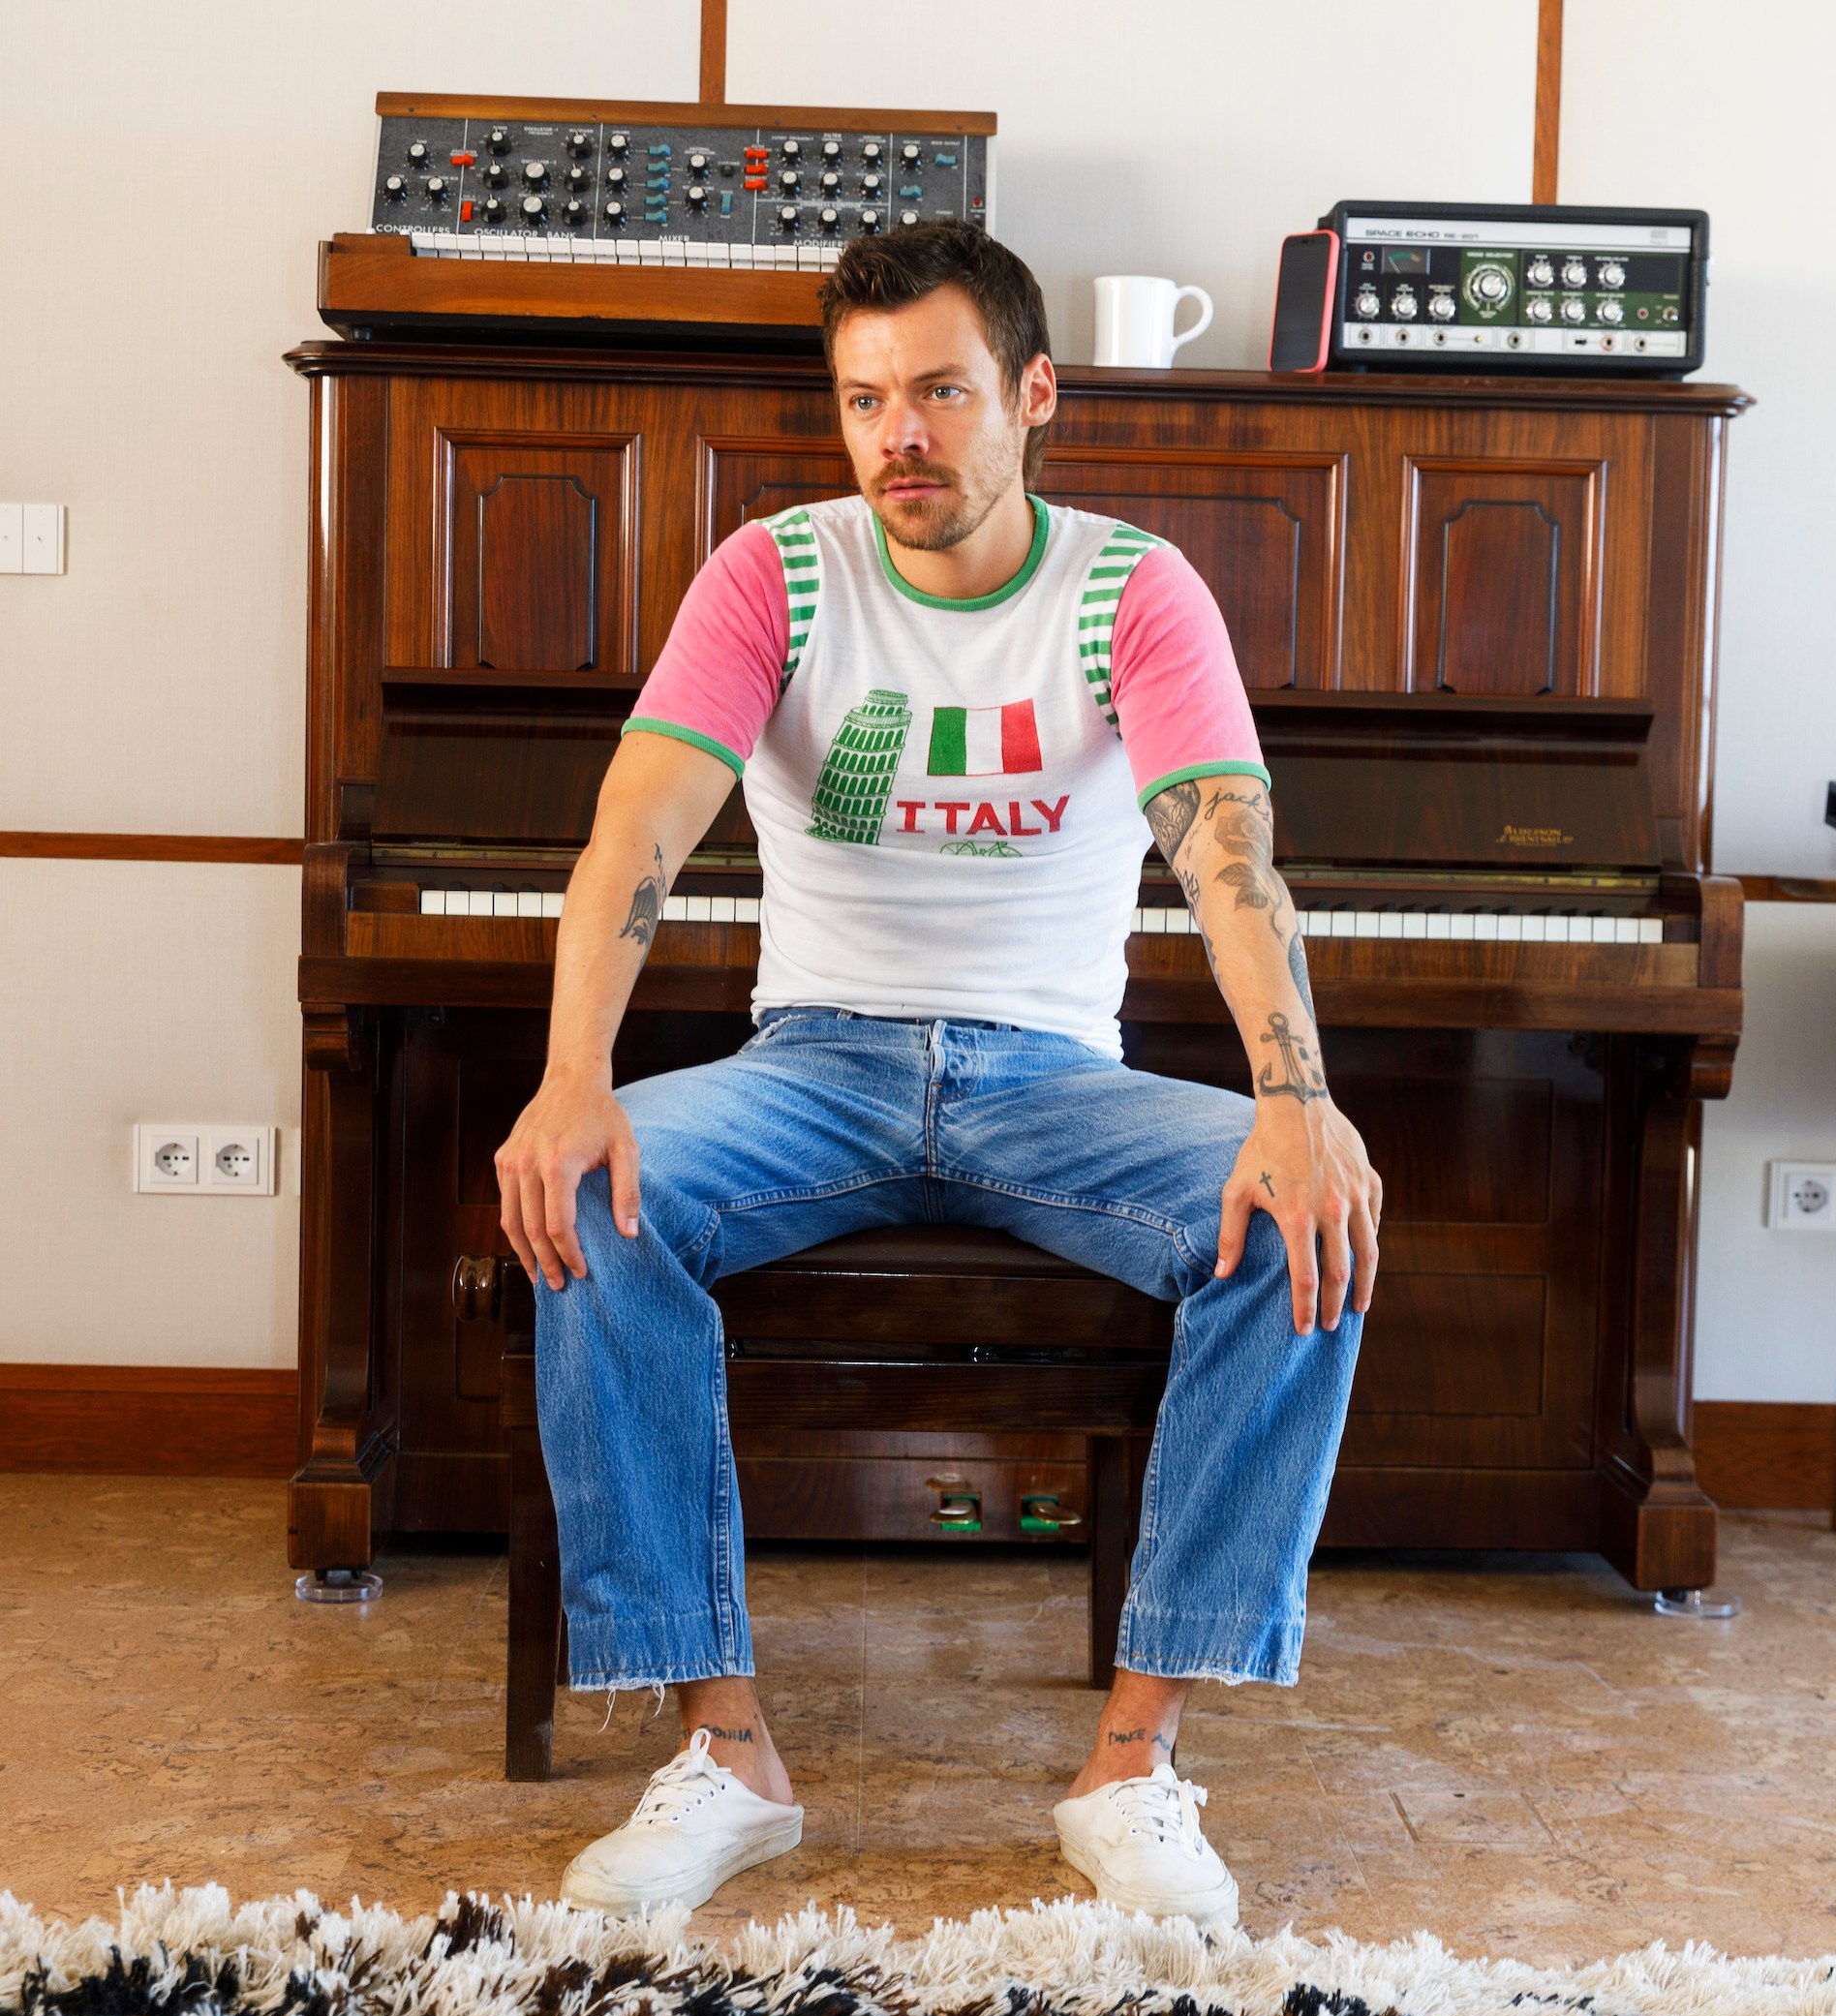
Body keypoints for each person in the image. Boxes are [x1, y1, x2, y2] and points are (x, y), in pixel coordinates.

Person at [494, 221, 1381, 1929]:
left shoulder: (1133, 589)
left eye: (941, 392)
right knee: (590, 1194)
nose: (899, 434)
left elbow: (1228, 858)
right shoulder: (774, 574)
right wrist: (571, 1074)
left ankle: (1137, 1766)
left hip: (1053, 1083)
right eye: (864, 400)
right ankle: (725, 1756)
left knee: (1303, 1218)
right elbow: (637, 831)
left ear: (1034, 395)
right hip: (812, 1067)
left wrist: (1297, 1098)